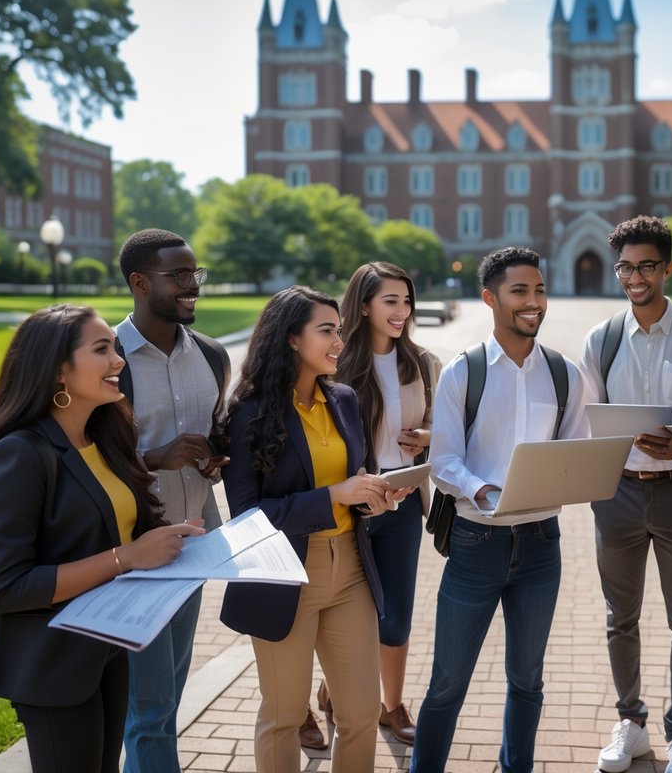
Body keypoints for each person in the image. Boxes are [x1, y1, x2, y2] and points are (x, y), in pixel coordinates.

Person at [0, 304, 205, 773]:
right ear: (58, 369)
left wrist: (171, 543)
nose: (118, 361)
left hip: (107, 647)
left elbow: (114, 530)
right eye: (102, 350)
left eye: (115, 348)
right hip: (53, 661)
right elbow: (6, 586)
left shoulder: (106, 436)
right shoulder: (20, 453)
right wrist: (127, 557)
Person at [409, 246, 590, 773]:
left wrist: (577, 474)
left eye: (539, 290)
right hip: (476, 543)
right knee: (447, 682)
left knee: (528, 679)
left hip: (542, 543)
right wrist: (483, 490)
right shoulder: (463, 373)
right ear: (490, 299)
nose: (534, 301)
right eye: (520, 291)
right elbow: (444, 461)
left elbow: (574, 451)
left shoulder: (565, 374)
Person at [218, 287, 410, 773]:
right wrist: (334, 496)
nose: (339, 342)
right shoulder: (249, 414)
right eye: (327, 331)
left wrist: (374, 496)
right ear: (290, 338)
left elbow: (351, 482)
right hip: (283, 576)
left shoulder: (343, 399)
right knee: (283, 716)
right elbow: (246, 517)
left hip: (350, 569)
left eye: (339, 330)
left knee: (361, 713)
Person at [578, 215, 672, 773]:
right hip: (616, 494)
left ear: (667, 268)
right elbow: (587, 417)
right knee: (620, 617)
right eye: (625, 267)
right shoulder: (601, 339)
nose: (634, 278)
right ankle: (632, 724)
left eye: (646, 267)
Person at [301, 261, 442, 747]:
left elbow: (447, 426)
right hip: (350, 508)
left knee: (395, 616)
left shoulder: (423, 364)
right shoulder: (336, 364)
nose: (402, 311)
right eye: (390, 301)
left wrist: (427, 437)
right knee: (343, 616)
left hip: (402, 504)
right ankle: (326, 692)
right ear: (363, 306)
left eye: (407, 301)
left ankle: (391, 705)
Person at [116, 228, 229, 771]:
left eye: (195, 273)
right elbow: (77, 461)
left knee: (165, 703)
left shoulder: (212, 354)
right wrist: (154, 459)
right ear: (140, 282)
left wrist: (216, 460)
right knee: (150, 709)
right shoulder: (107, 357)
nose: (192, 285)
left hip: (193, 545)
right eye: (178, 276)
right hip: (130, 552)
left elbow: (217, 434)